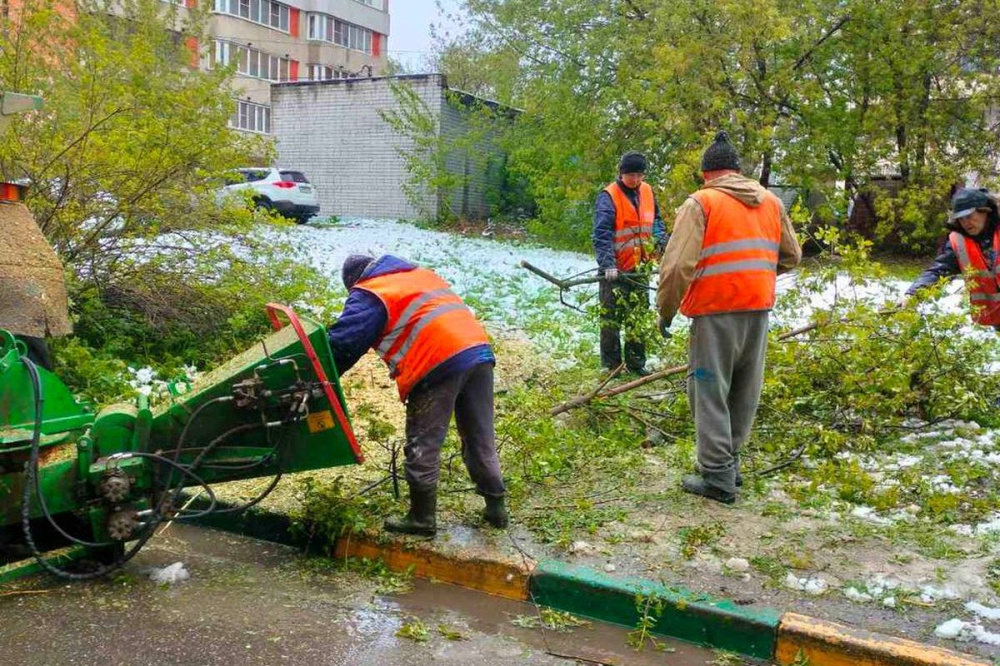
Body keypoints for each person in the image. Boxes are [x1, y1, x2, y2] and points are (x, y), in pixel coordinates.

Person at [656, 131, 801, 504]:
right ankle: (730, 464)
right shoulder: (770, 201)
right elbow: (792, 255)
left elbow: (677, 267)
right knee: (743, 390)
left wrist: (666, 310)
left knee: (708, 390)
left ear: (707, 174)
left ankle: (718, 477)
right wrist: (755, 275)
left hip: (715, 310)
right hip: (757, 309)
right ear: (737, 171)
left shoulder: (701, 203)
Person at [326, 254, 507, 536]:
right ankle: (496, 508)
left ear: (353, 282)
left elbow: (343, 344)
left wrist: (321, 380)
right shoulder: (419, 275)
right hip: (479, 353)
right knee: (479, 436)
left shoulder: (372, 291)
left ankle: (421, 519)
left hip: (438, 362)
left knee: (423, 442)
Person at [593, 151, 668, 376]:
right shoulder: (609, 196)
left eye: (639, 175)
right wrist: (608, 264)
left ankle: (636, 364)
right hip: (615, 269)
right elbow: (602, 233)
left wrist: (662, 242)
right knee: (611, 319)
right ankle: (611, 366)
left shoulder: (647, 192)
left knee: (638, 317)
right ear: (621, 174)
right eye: (631, 175)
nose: (635, 180)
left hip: (640, 269)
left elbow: (656, 222)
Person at [903, 187, 1000, 329]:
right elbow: (939, 270)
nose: (965, 222)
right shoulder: (958, 242)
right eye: (960, 218)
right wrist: (912, 294)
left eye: (969, 216)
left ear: (985, 211)